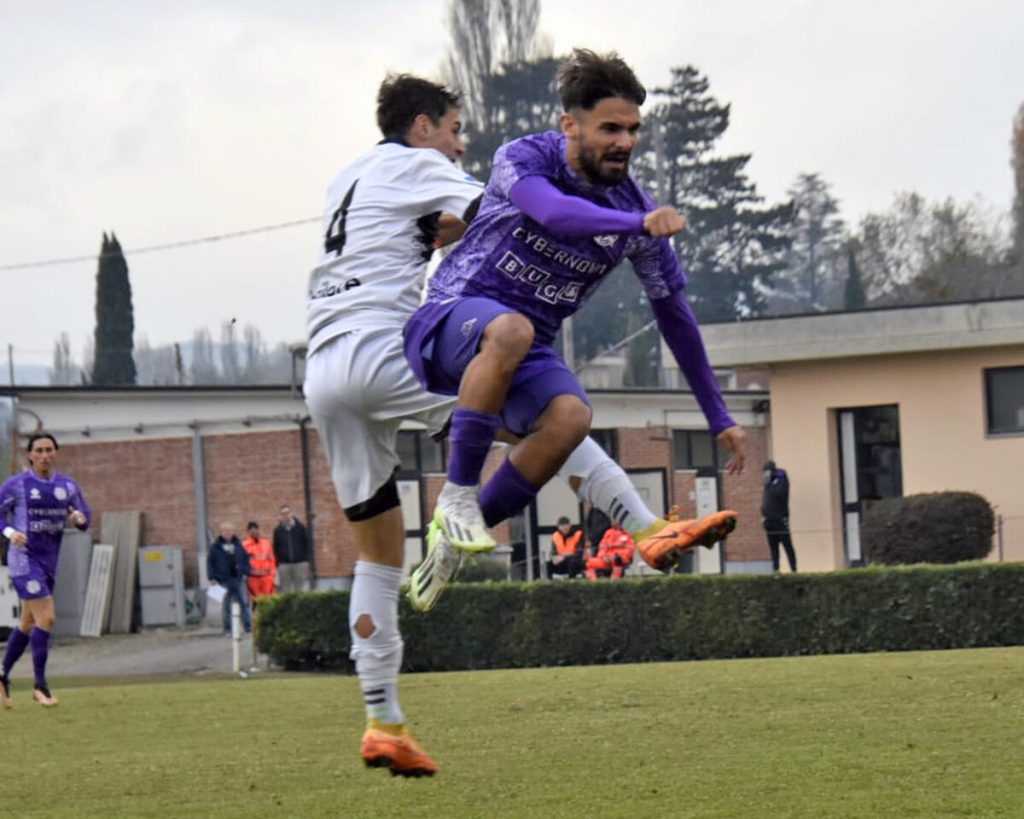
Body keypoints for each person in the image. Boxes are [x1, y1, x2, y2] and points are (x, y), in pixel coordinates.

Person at [302, 73, 738, 779]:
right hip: (388, 347)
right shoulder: (422, 166)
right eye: (453, 130)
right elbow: (509, 211)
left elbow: (424, 232)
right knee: (541, 414)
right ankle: (636, 523)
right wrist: (631, 224)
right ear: (422, 127)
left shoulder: (346, 179)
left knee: (377, 558)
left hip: (323, 368)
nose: (459, 144)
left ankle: (382, 719)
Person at [404, 49, 746, 567]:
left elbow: (674, 315)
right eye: (611, 128)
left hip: (520, 351)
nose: (625, 142)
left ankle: (452, 545)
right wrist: (638, 225)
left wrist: (718, 416)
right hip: (448, 321)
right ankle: (457, 496)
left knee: (571, 418)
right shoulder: (524, 157)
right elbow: (554, 213)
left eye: (633, 129)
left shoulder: (634, 207)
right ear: (570, 125)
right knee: (512, 329)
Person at [0, 433, 90, 708]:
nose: (44, 455)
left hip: (49, 560)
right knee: (47, 618)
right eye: (39, 450)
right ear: (30, 455)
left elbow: (84, 519)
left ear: (56, 453)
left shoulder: (67, 486)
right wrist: (10, 532)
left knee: (28, 624)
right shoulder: (17, 485)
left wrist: (78, 518)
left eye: (49, 450)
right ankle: (40, 685)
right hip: (23, 559)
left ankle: (2, 675)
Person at [207, 522, 252, 634]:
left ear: (233, 531)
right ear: (221, 532)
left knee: (244, 603)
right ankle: (228, 629)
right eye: (225, 530)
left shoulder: (239, 545)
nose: (228, 532)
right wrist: (212, 578)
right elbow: (210, 563)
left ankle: (248, 627)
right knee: (226, 605)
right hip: (223, 580)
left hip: (238, 579)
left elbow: (246, 559)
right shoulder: (215, 547)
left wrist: (246, 571)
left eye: (230, 530)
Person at [762, 460, 797, 572]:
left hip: (780, 520)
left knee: (787, 546)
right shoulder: (768, 484)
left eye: (767, 472)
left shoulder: (781, 480)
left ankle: (793, 570)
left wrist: (774, 476)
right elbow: (766, 500)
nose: (765, 475)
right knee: (773, 549)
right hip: (769, 521)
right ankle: (776, 571)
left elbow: (779, 494)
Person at [272, 505, 310, 593]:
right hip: (284, 565)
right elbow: (276, 548)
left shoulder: (301, 528)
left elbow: (307, 544)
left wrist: (306, 561)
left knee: (299, 589)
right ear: (281, 516)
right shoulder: (278, 531)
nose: (286, 516)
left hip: (300, 563)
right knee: (285, 590)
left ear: (292, 513)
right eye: (283, 514)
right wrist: (278, 563)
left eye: (287, 513)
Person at [242, 521, 277, 602]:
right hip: (253, 578)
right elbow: (242, 561)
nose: (254, 533)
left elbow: (272, 560)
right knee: (255, 600)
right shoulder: (244, 545)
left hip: (266, 577)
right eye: (252, 531)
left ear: (258, 530)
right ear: (248, 532)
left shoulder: (266, 543)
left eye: (256, 530)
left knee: (268, 600)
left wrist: (272, 575)